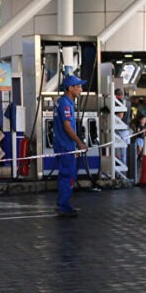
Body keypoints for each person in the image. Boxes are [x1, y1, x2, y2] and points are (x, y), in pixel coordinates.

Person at [53, 74, 88, 217]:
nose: (81, 89)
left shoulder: (64, 102)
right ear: (70, 88)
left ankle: (64, 204)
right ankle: (63, 206)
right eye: (78, 87)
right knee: (68, 175)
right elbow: (67, 127)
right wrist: (79, 143)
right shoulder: (65, 104)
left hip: (64, 144)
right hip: (65, 145)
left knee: (67, 175)